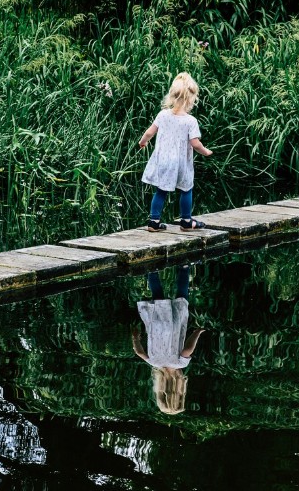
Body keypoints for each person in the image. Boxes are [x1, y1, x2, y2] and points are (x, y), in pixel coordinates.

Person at [138, 72, 213, 232]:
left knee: (161, 190)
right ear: (190, 99)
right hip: (180, 162)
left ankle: (154, 221)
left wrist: (143, 142)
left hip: (163, 160)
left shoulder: (163, 115)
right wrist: (205, 151)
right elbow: (195, 143)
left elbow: (149, 132)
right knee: (186, 188)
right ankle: (186, 220)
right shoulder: (190, 121)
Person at [132, 266, 205, 415]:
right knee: (157, 293)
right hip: (158, 324)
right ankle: (152, 269)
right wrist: (135, 337)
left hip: (175, 325)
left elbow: (187, 350)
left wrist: (197, 332)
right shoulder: (154, 362)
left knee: (182, 296)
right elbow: (139, 352)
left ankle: (184, 267)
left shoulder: (180, 363)